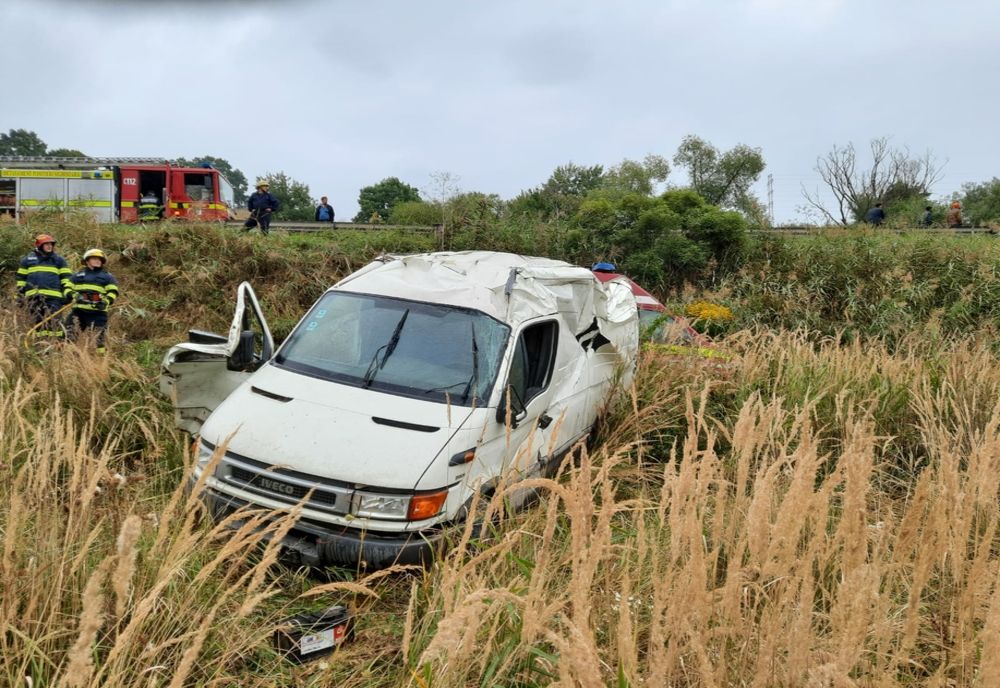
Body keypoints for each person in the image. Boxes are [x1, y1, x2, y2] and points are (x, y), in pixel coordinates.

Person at [16, 233, 73, 339]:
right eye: (46, 244)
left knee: (54, 323)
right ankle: (41, 346)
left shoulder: (58, 260)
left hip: (54, 298)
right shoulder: (27, 260)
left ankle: (56, 346)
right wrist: (20, 296)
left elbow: (66, 278)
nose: (49, 246)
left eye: (51, 244)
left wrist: (68, 293)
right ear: (39, 246)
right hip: (33, 298)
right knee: (38, 324)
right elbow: (21, 279)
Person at [67, 248, 119, 354]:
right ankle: (67, 357)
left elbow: (113, 292)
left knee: (99, 338)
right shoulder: (78, 276)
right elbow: (67, 288)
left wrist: (105, 302)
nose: (98, 261)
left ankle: (100, 360)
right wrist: (75, 296)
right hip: (79, 312)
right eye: (94, 259)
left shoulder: (107, 277)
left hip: (98, 313)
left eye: (100, 259)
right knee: (69, 334)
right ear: (87, 261)